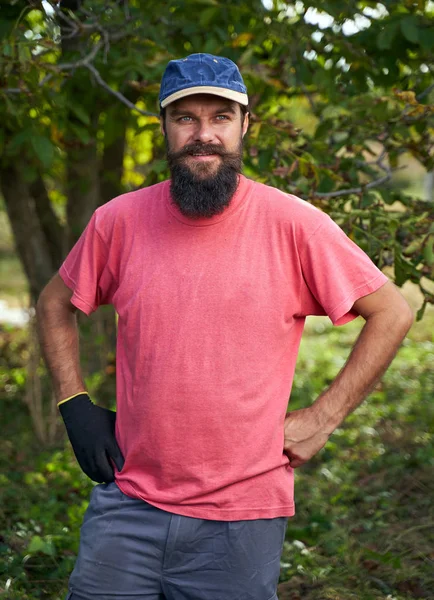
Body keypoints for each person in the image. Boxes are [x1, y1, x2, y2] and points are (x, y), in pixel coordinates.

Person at [36, 53, 413, 600]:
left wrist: (323, 418)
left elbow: (393, 312)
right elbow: (54, 304)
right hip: (127, 505)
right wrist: (74, 405)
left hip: (242, 519)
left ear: (244, 126)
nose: (203, 134)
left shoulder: (294, 224)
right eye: (186, 117)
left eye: (219, 117)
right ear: (164, 128)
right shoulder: (117, 222)